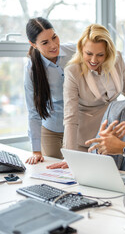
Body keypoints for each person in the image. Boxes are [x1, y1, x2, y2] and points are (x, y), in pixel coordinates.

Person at [47, 24, 125, 169]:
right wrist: (69, 156)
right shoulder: (73, 72)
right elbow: (71, 115)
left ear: (108, 53)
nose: (94, 60)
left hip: (113, 139)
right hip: (86, 142)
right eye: (89, 53)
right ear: (81, 49)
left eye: (100, 55)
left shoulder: (118, 59)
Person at [24, 17, 76, 165]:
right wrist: (36, 150)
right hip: (51, 131)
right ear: (33, 44)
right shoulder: (31, 69)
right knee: (54, 174)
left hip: (77, 128)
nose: (53, 45)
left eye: (54, 37)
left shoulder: (74, 50)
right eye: (45, 42)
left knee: (79, 172)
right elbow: (33, 112)